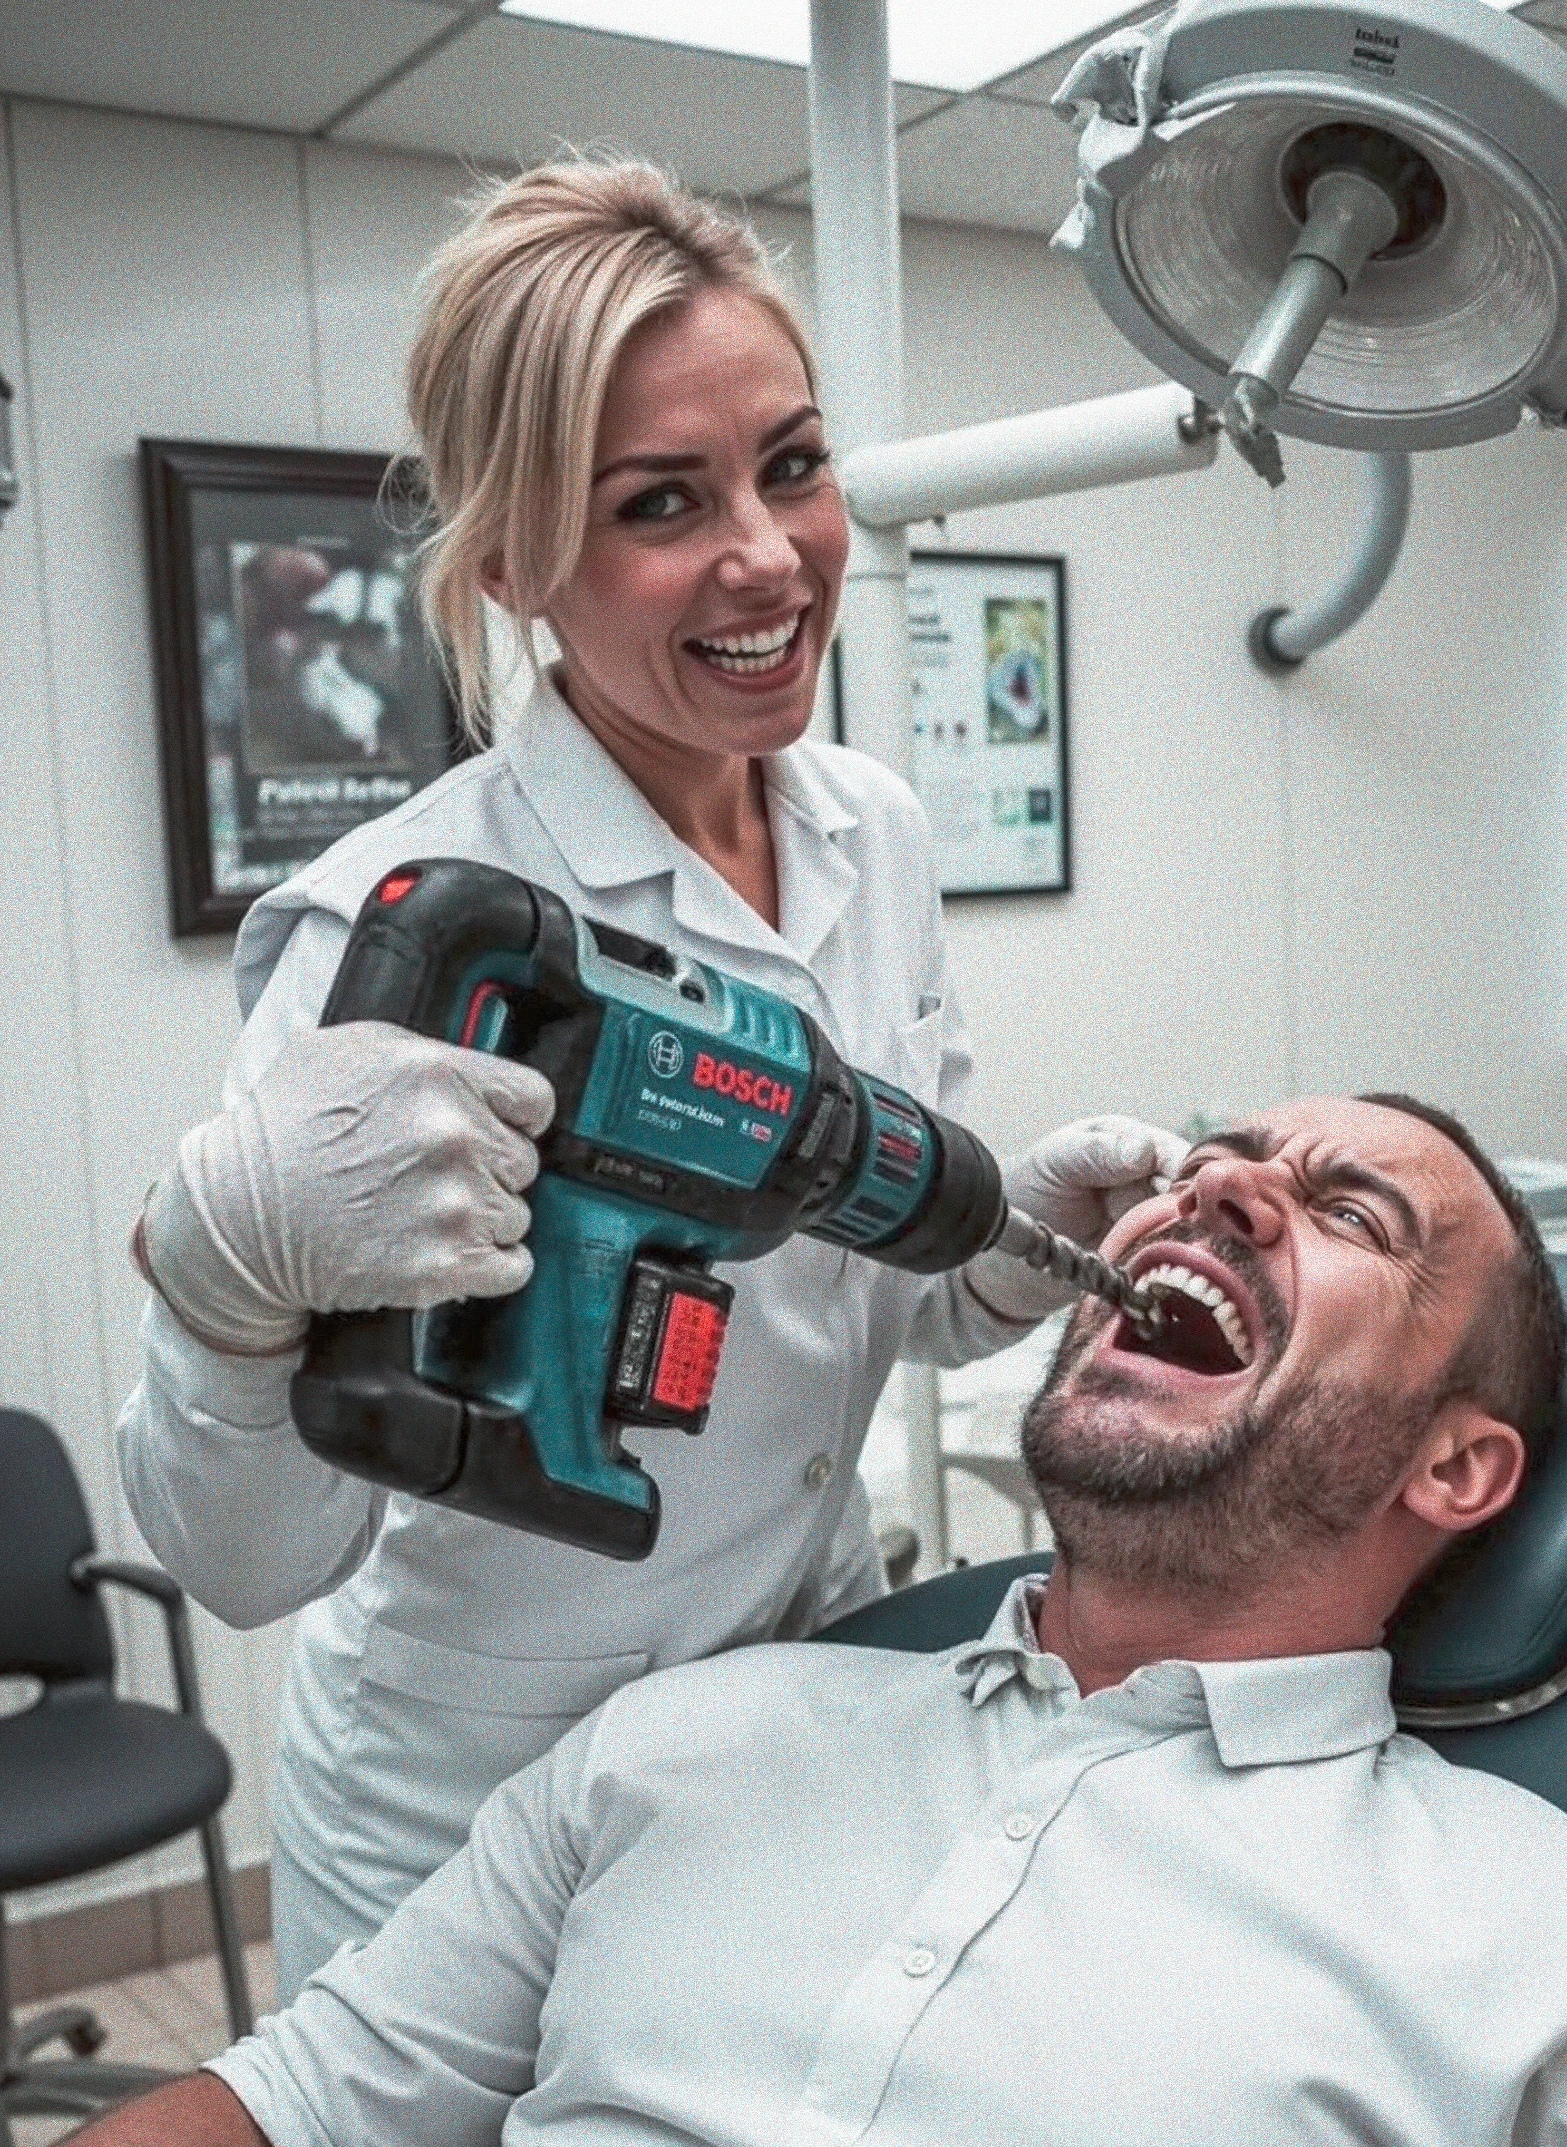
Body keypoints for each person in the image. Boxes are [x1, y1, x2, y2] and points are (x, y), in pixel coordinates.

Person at [14, 1093, 1567, 2147]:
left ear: (1459, 1468)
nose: (1223, 1181)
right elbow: (294, 2142)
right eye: (1218, 1158)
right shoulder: (699, 1734)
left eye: (1351, 1209)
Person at [115, 155, 1185, 1999]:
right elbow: (249, 1558)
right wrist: (228, 1288)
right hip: (478, 1792)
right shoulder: (398, 941)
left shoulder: (877, 833)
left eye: (793, 464)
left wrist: (998, 1254)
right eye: (659, 505)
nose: (767, 554)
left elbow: (836, 1303)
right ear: (518, 561)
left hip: (809, 1702)